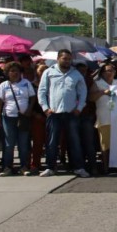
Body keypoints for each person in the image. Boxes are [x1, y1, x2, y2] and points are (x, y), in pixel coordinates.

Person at [37, 49, 90, 178]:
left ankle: (78, 167)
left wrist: (79, 108)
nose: (67, 61)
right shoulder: (49, 72)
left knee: (74, 141)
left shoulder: (76, 74)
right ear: (58, 58)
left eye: (69, 59)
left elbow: (83, 93)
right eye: (64, 58)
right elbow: (42, 91)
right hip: (54, 113)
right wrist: (45, 108)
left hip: (71, 113)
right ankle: (50, 167)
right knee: (52, 142)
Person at [0, 61, 35, 176]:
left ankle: (23, 166)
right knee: (9, 144)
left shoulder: (26, 83)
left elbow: (32, 98)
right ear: (7, 73)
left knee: (23, 143)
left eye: (17, 71)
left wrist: (29, 110)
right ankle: (7, 167)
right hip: (8, 117)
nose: (14, 73)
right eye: (12, 71)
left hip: (23, 118)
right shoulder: (4, 85)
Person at [89, 63, 117, 174]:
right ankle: (106, 167)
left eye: (112, 71)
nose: (110, 73)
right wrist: (103, 92)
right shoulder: (97, 83)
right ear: (102, 73)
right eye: (107, 71)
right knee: (105, 145)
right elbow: (91, 97)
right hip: (104, 118)